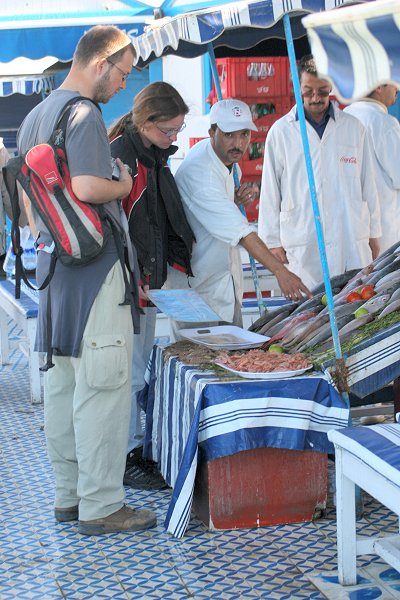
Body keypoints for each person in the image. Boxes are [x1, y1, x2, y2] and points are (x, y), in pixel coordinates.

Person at [16, 25, 156, 535]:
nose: (123, 85)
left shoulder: (35, 116)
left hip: (54, 272)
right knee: (104, 387)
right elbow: (87, 185)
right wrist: (122, 182)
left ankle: (68, 497)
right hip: (96, 273)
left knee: (65, 385)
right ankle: (102, 506)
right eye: (122, 73)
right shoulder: (84, 113)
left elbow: (31, 206)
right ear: (100, 63)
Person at [109, 82, 194, 489]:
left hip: (145, 285)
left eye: (178, 130)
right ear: (144, 123)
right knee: (128, 376)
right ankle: (126, 456)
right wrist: (138, 280)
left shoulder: (153, 156)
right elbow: (120, 229)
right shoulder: (124, 160)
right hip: (129, 289)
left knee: (137, 372)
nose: (174, 138)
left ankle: (134, 447)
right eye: (168, 131)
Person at [164, 98, 311, 330]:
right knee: (202, 362)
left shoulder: (226, 161)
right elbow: (242, 233)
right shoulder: (201, 174)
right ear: (212, 132)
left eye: (244, 134)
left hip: (219, 283)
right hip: (197, 293)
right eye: (229, 135)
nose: (238, 143)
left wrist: (232, 199)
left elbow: (211, 210)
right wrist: (280, 271)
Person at [258, 55, 382, 291]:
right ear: (296, 85)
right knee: (308, 314)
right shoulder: (281, 132)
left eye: (323, 91)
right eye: (308, 91)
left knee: (352, 306)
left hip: (350, 237)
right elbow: (270, 191)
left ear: (331, 86)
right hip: (302, 240)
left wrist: (374, 232)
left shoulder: (354, 128)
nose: (315, 98)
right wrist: (272, 241)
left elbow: (369, 184)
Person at [344, 84, 400, 254]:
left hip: (349, 231)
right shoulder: (384, 123)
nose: (397, 88)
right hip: (385, 234)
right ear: (379, 87)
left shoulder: (344, 117)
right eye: (393, 83)